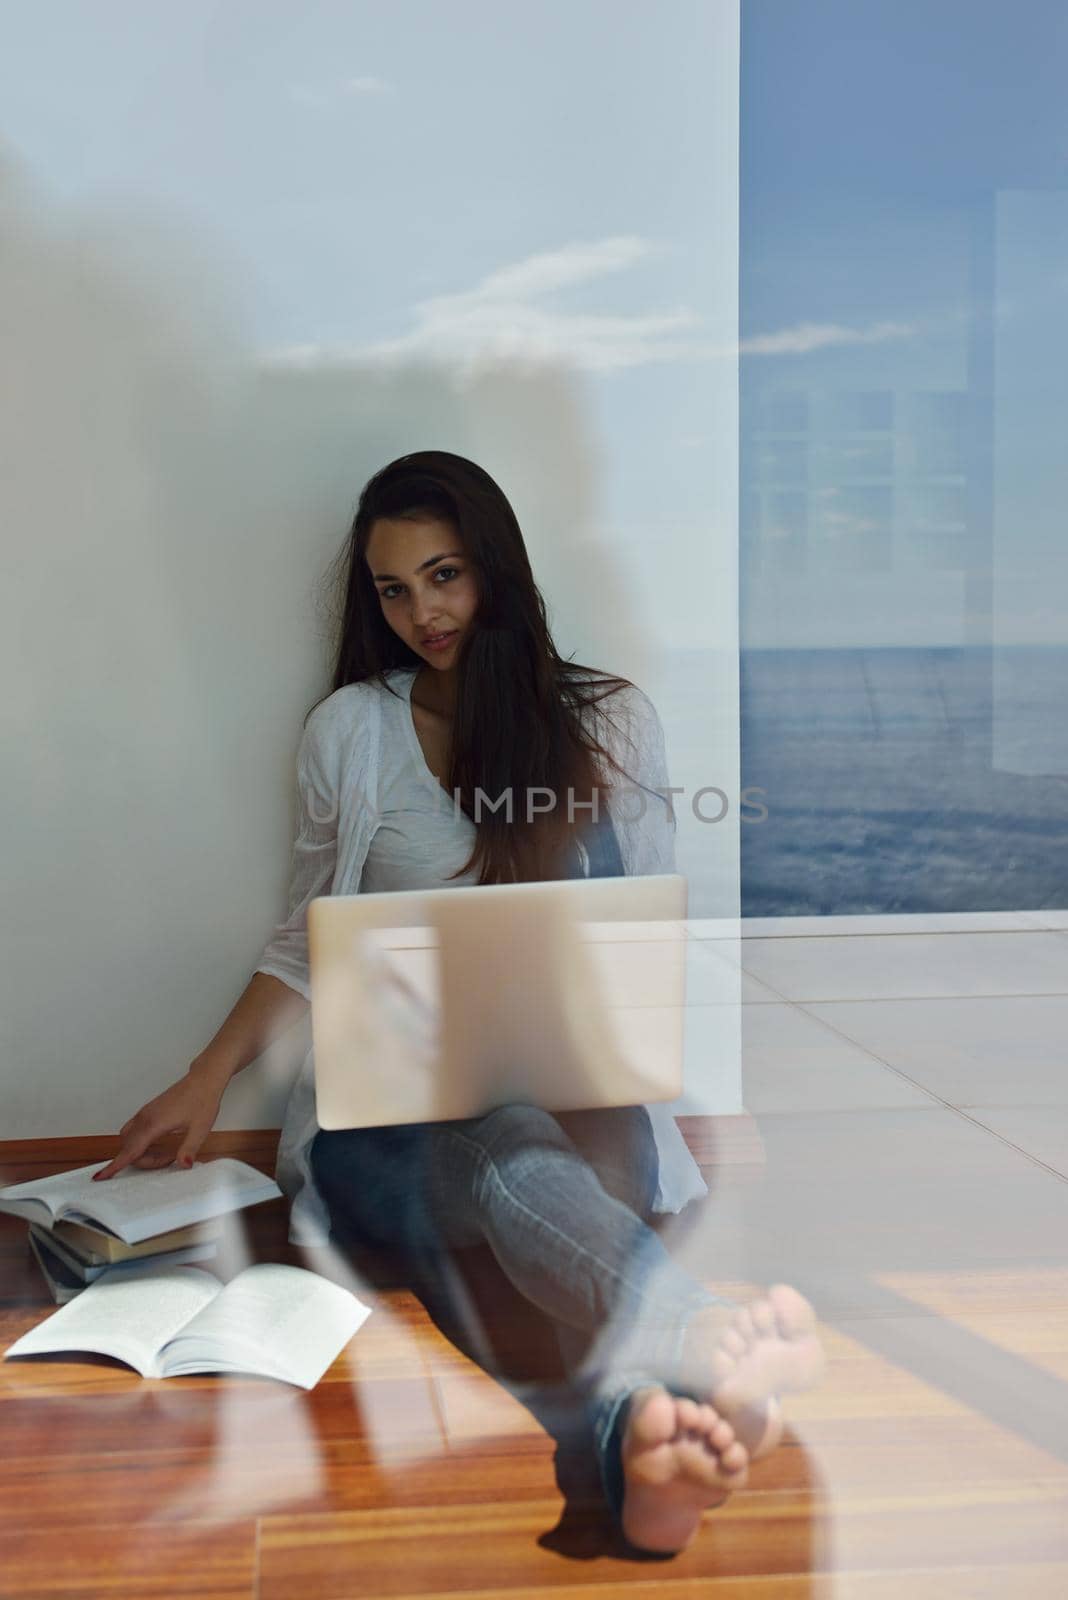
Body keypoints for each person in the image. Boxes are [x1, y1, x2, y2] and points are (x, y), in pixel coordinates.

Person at [93, 450, 823, 1554]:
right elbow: (307, 940)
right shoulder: (350, 732)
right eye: (393, 589)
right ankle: (699, 1333)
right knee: (514, 1150)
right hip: (387, 1136)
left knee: (540, 1173)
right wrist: (206, 1079)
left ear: (496, 570)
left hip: (580, 1108)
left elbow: (647, 933)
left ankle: (640, 1443)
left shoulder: (613, 723)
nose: (422, 612)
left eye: (443, 575)